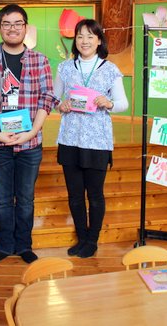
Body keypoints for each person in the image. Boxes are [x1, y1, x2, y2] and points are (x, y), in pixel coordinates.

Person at [0, 4, 58, 264]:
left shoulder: (39, 60)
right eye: (7, 23)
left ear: (25, 27)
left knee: (26, 198)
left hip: (30, 143)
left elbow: (47, 98)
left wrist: (32, 131)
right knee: (2, 199)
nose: (12, 28)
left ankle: (24, 246)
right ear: (0, 28)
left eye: (17, 23)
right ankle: (5, 245)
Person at [55, 19, 128, 258]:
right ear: (75, 40)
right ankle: (82, 238)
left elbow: (123, 104)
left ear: (99, 40)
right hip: (70, 139)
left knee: (95, 194)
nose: (84, 41)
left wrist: (110, 103)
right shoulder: (65, 68)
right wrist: (61, 105)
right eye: (80, 36)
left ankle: (92, 240)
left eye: (90, 36)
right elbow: (54, 98)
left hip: (97, 141)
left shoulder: (110, 69)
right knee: (75, 195)